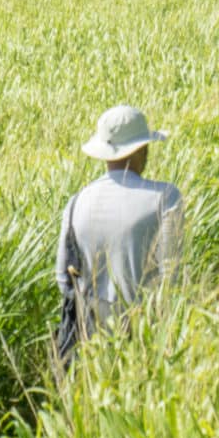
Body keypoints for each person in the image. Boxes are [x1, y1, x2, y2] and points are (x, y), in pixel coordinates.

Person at [55, 105, 185, 366]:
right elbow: (172, 275)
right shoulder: (166, 198)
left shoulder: (77, 202)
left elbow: (63, 280)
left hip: (90, 348)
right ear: (141, 148)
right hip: (147, 342)